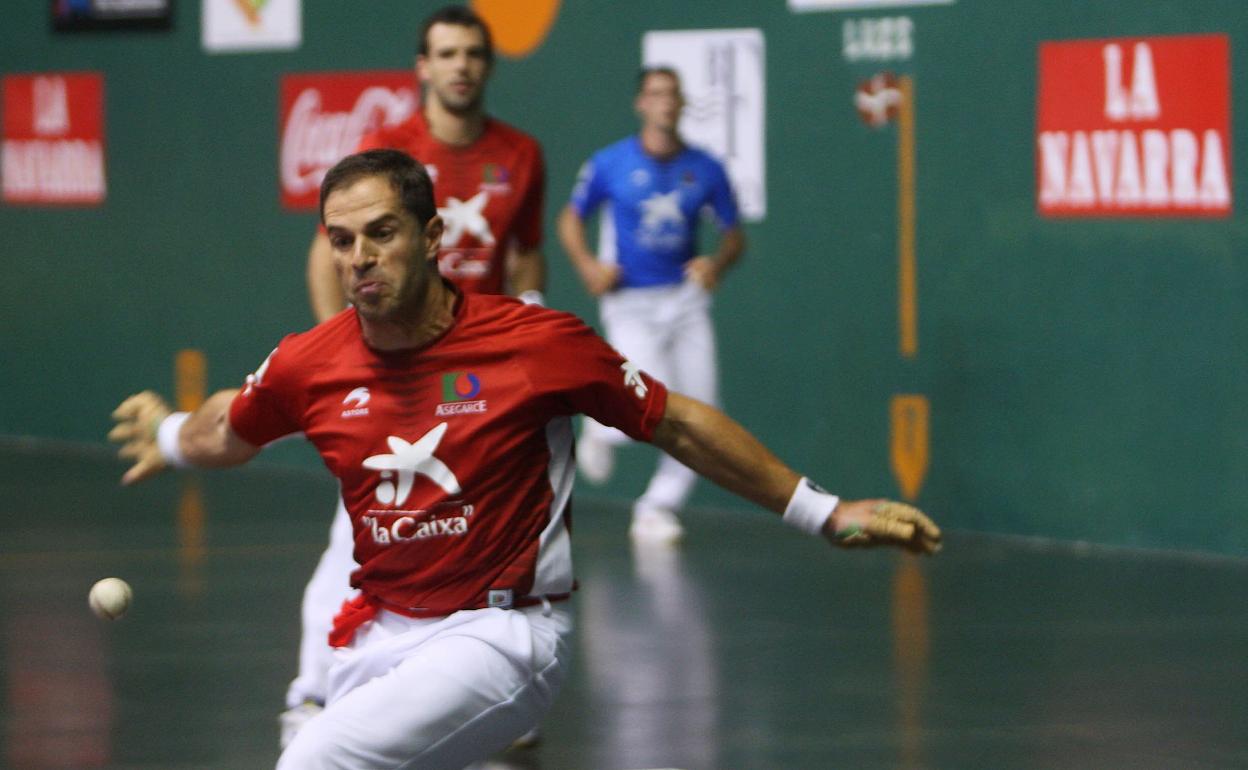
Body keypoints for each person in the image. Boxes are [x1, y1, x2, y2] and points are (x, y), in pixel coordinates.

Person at [109, 149, 941, 770]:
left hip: (503, 635)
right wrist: (175, 435)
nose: (358, 257)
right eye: (340, 240)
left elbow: (675, 423)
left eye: (381, 233)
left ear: (434, 236)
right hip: (381, 631)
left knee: (316, 761)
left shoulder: (537, 345)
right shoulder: (310, 362)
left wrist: (823, 512)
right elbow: (235, 427)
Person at [292, 4, 547, 747]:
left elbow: (526, 257)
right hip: (395, 367)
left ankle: (496, 692)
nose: (461, 65)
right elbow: (328, 253)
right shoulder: (386, 148)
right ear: (423, 67)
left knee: (499, 531)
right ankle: (312, 695)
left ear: (487, 66)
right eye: (447, 53)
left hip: (485, 380)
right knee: (358, 533)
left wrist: (529, 336)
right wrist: (343, 353)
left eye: (473, 52)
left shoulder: (522, 154)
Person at [558, 66, 745, 544]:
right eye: (655, 94)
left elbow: (734, 235)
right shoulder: (609, 163)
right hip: (630, 302)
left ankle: (656, 506)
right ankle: (602, 430)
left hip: (685, 301)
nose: (664, 102)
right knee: (644, 408)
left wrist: (715, 265)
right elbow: (570, 219)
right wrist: (588, 267)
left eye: (672, 94)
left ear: (681, 105)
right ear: (641, 104)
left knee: (704, 415)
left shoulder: (706, 167)